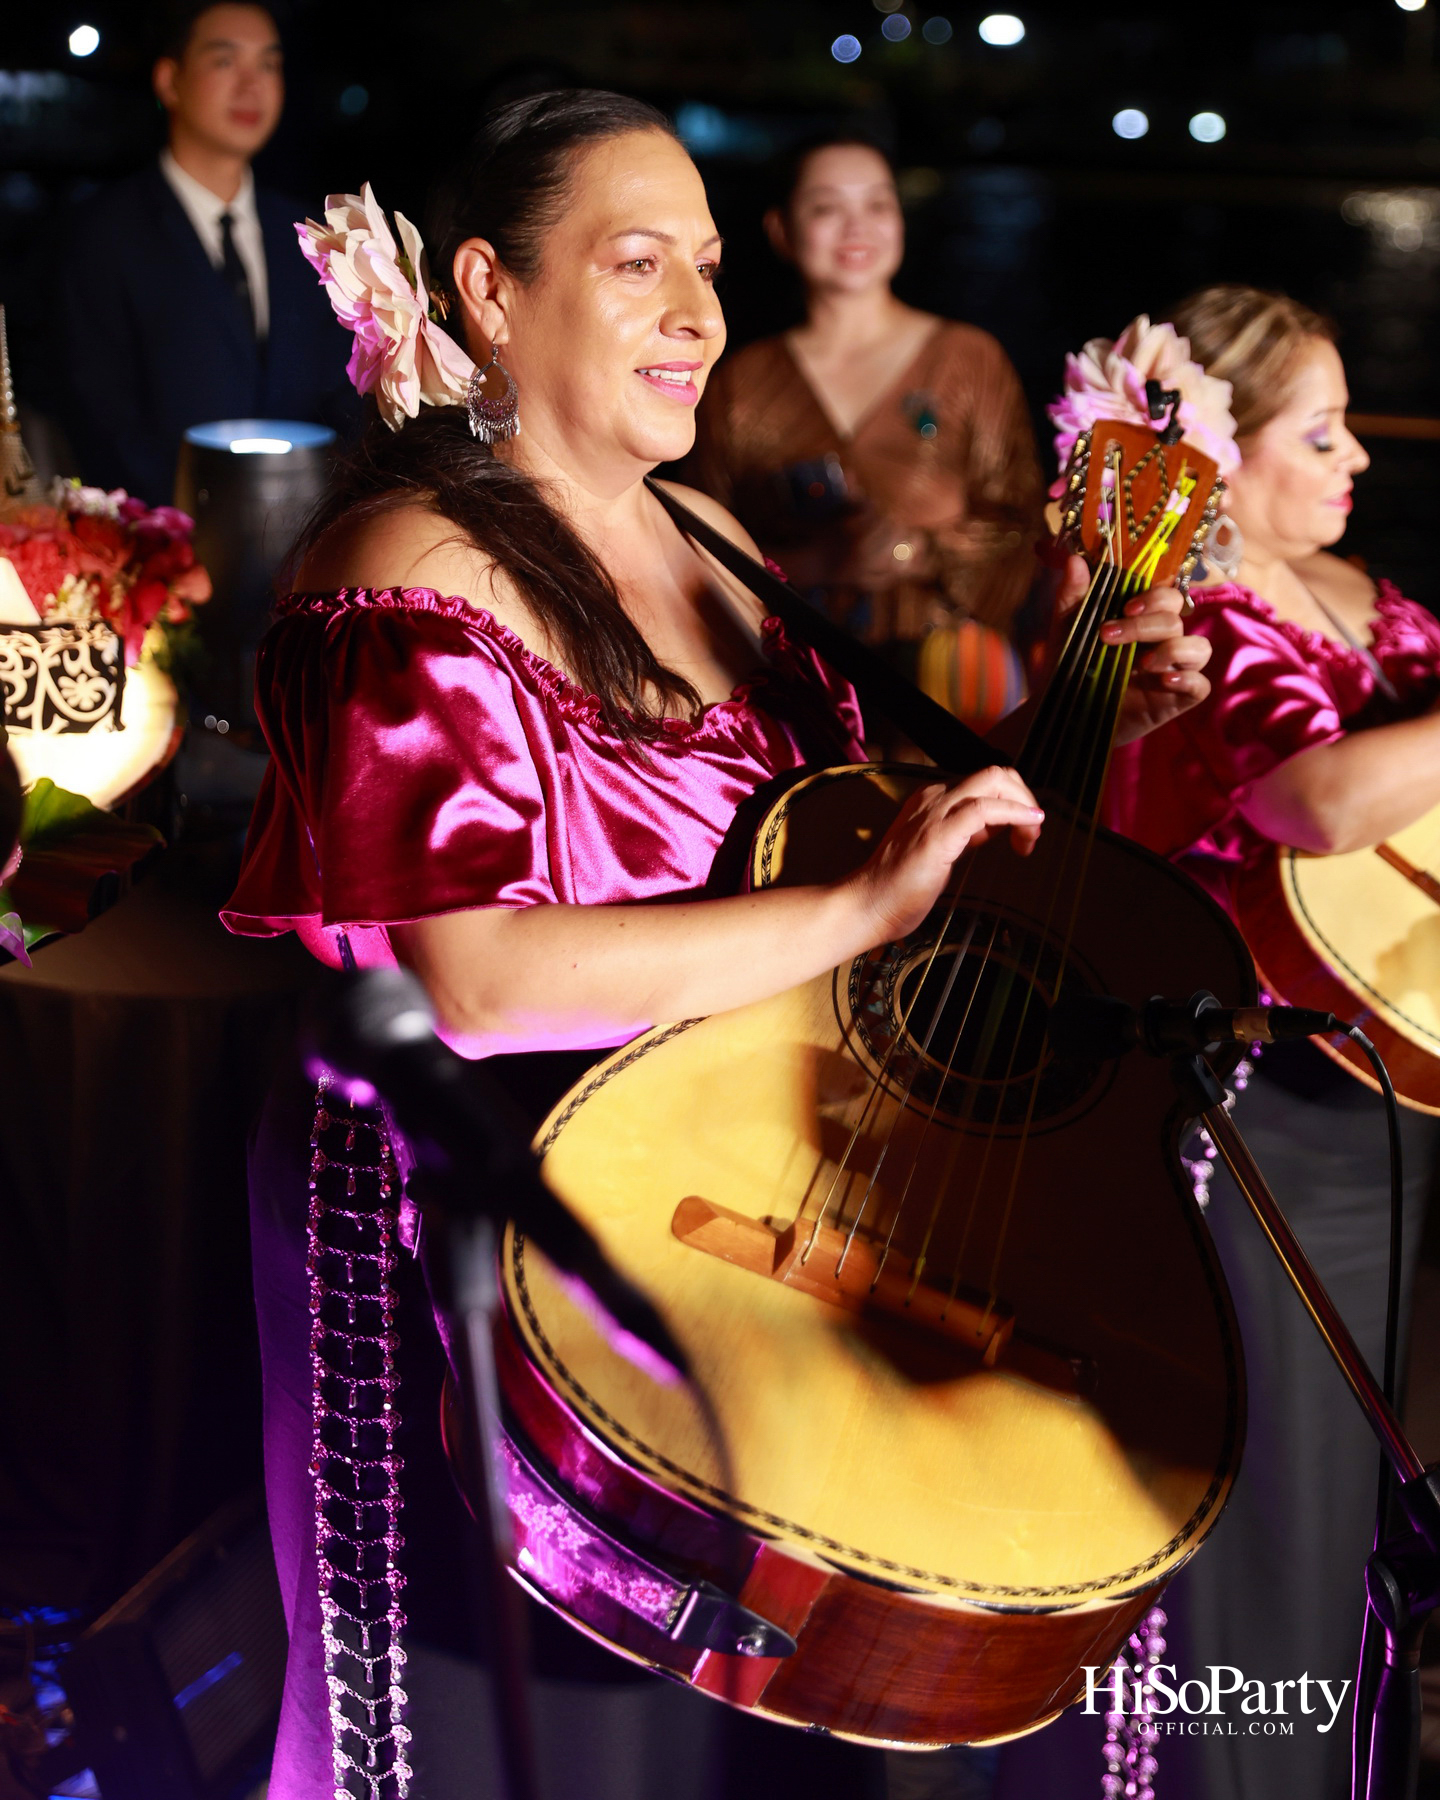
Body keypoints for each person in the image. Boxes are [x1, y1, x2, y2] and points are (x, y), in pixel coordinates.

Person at [220, 91, 1210, 1799]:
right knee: (516, 1743)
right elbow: (475, 983)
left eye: (703, 264)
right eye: (636, 265)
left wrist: (1077, 725)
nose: (698, 313)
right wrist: (857, 910)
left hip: (732, 1219)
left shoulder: (716, 543)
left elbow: (845, 848)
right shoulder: (407, 568)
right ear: (489, 290)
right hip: (486, 1248)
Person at [998, 286, 1440, 1800]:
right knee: (1253, 1483)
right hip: (1242, 1107)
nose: (1357, 460)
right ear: (1223, 455)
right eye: (1322, 433)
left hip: (1377, 1101)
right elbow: (1314, 800)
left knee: (1346, 1496)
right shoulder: (1203, 617)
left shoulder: (1376, 605)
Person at [688, 133, 1044, 733]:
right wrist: (819, 563)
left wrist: (917, 551)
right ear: (781, 229)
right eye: (827, 207)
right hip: (790, 691)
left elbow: (1022, 522)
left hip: (947, 689)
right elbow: (696, 546)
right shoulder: (738, 383)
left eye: (878, 204)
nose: (858, 227)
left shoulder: (968, 359)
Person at [54, 2, 356, 504]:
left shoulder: (312, 236)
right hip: (160, 530)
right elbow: (98, 416)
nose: (251, 85)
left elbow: (344, 397)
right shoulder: (104, 234)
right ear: (170, 80)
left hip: (308, 530)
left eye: (268, 64)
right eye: (225, 61)